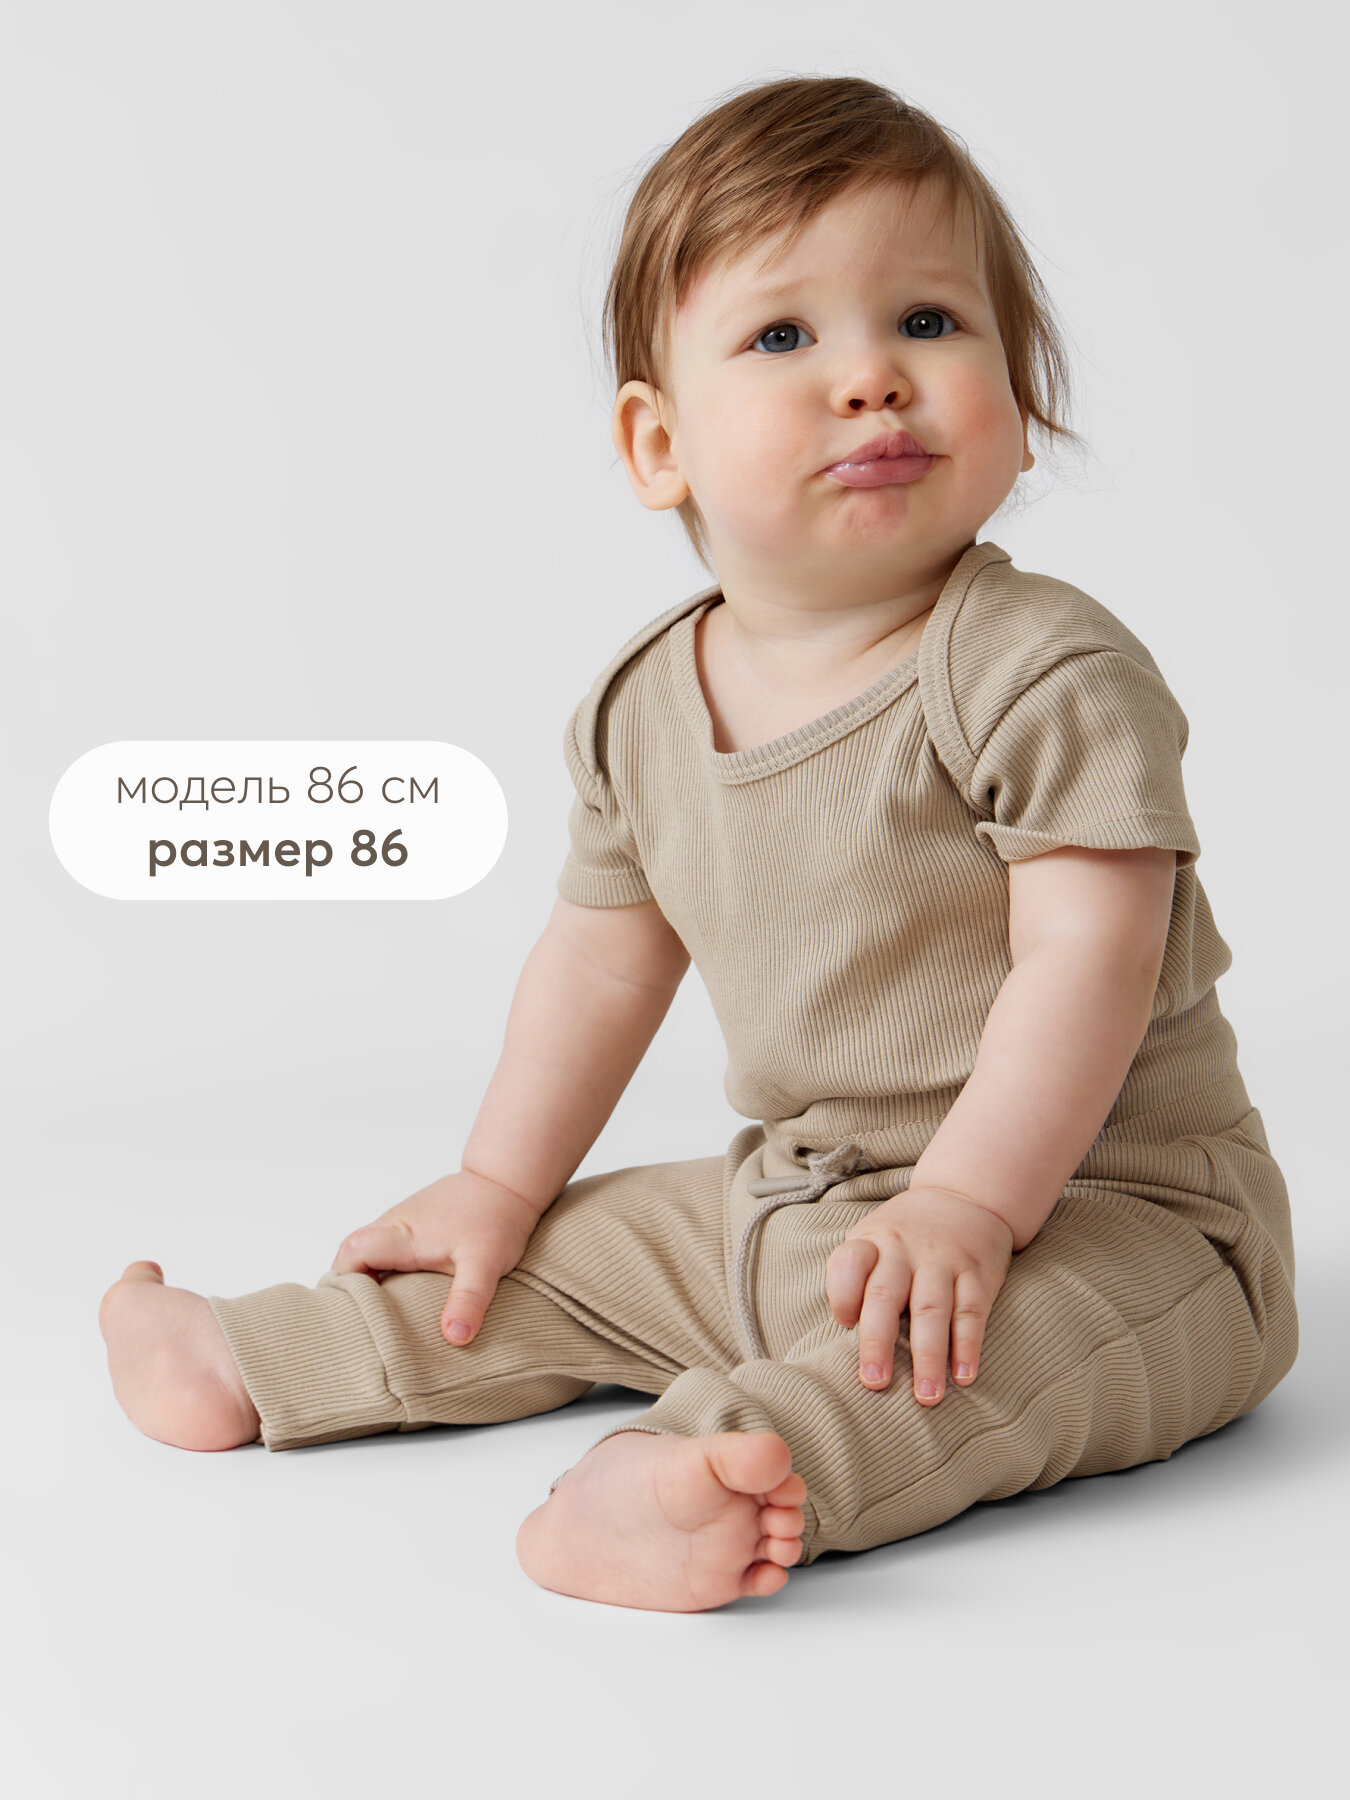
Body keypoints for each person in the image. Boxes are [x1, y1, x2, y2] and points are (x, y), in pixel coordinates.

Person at [99, 74, 1298, 1614]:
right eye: (784, 337)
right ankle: (269, 1356)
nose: (870, 378)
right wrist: (496, 1178)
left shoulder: (1039, 666)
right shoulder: (640, 705)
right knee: (559, 1252)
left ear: (1020, 395)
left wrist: (964, 1207)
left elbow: (1090, 959)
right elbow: (598, 964)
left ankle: (708, 1469)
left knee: (967, 1360)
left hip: (1102, 1215)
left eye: (928, 321)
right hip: (799, 1195)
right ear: (656, 441)